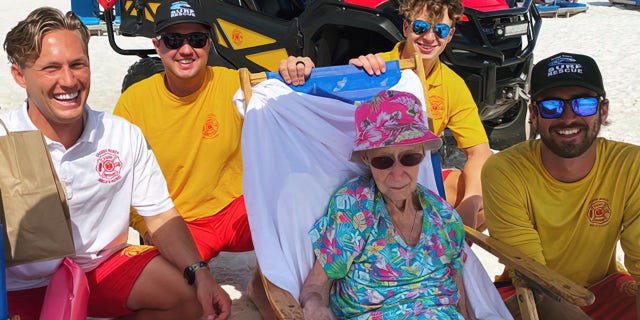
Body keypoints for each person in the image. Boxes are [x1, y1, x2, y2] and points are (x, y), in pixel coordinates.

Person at [1, 7, 230, 320]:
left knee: (188, 299)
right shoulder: (4, 138)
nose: (68, 81)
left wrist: (201, 274)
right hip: (19, 285)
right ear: (19, 76)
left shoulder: (121, 134)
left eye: (78, 65)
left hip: (98, 268)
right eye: (51, 68)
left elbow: (161, 215)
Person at [113, 0, 272, 316]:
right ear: (157, 46)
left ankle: (263, 284)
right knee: (184, 302)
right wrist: (150, 230)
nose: (186, 49)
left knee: (308, 218)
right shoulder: (134, 103)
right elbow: (120, 186)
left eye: (196, 39)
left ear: (209, 44)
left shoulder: (235, 83)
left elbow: (294, 98)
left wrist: (298, 70)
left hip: (236, 210)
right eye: (174, 40)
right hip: (178, 223)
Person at [279, 0, 491, 231]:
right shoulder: (373, 69)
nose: (430, 38)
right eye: (421, 27)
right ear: (406, 28)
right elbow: (325, 112)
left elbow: (479, 151)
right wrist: (301, 70)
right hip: (368, 177)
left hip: (413, 178)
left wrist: (471, 203)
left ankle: (445, 249)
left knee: (490, 198)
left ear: (450, 35)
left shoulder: (452, 85)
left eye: (439, 30)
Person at [483, 52, 640, 319]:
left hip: (603, 288)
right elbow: (534, 278)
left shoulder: (631, 165)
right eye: (551, 106)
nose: (568, 118)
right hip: (530, 292)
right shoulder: (505, 171)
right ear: (533, 113)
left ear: (603, 110)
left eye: (584, 104)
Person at [300, 90, 471, 319]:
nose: (397, 174)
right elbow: (315, 287)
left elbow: (459, 294)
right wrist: (314, 307)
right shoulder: (354, 208)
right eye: (383, 160)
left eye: (409, 158)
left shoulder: (444, 216)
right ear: (367, 158)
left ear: (422, 154)